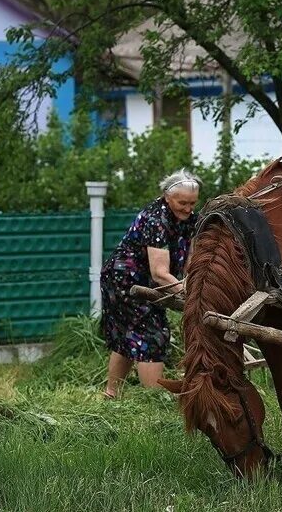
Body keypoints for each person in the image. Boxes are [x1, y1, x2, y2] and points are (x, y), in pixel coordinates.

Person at [100, 169, 200, 395]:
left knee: (127, 336)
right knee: (153, 334)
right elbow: (160, 273)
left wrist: (193, 282)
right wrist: (189, 293)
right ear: (167, 196)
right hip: (126, 281)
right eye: (182, 202)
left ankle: (111, 395)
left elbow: (189, 259)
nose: (188, 208)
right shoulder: (156, 220)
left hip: (144, 280)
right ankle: (155, 399)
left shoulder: (190, 218)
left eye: (192, 203)